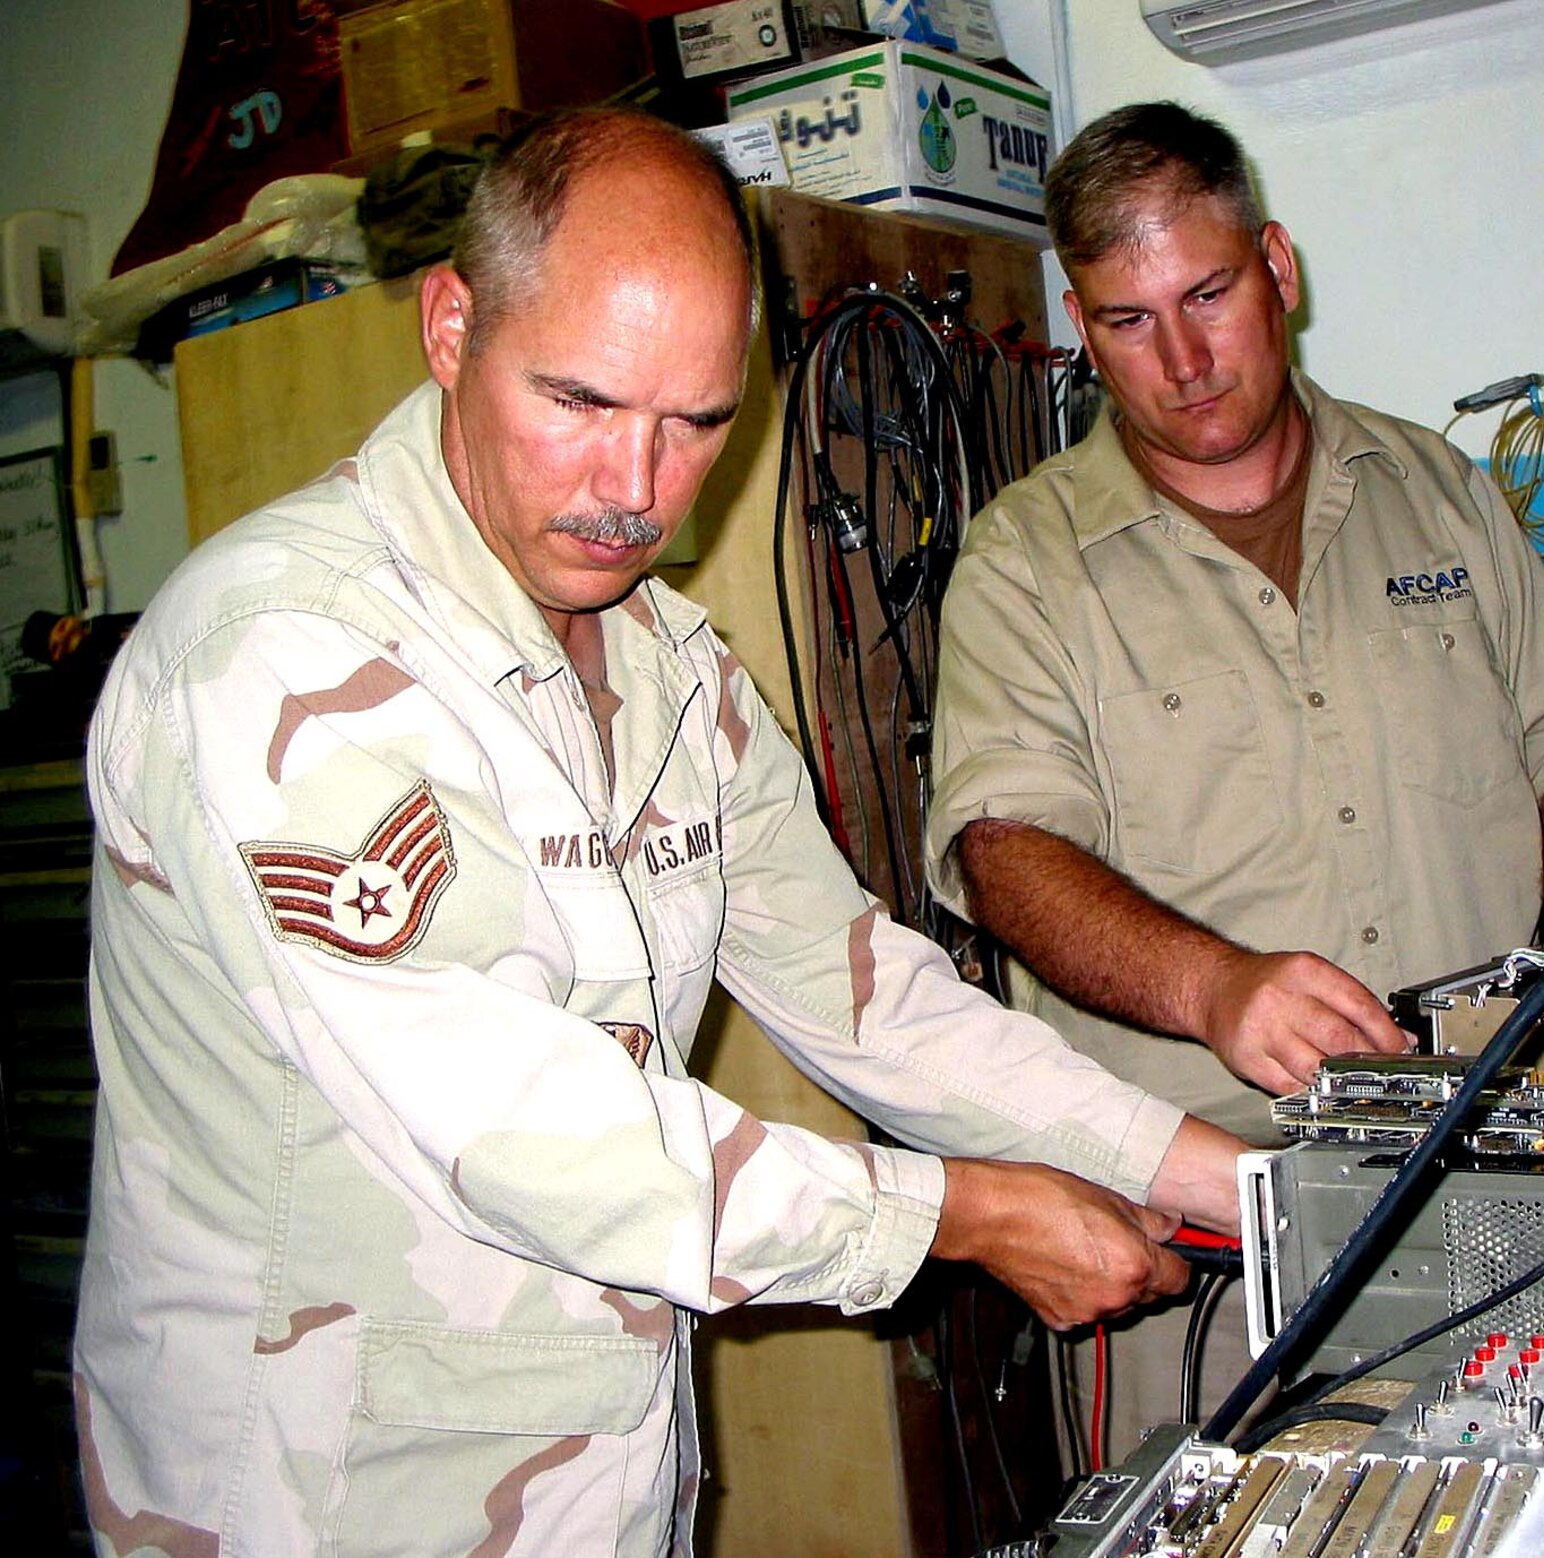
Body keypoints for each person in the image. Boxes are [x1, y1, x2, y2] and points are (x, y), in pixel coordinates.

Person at [73, 109, 1245, 1557]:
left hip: (603, 1491)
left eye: (696, 423)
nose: (633, 489)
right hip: (327, 1505)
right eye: (578, 401)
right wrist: (957, 1212)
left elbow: (863, 991)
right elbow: (534, 1137)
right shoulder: (276, 659)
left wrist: (1210, 1173)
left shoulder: (674, 671)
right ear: (451, 327)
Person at [925, 101, 1544, 1456]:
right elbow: (1006, 850)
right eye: (1129, 319)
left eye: (1208, 293)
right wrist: (1217, 985)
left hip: (1492, 1186)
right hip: (1206, 1248)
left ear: (1279, 268)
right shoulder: (1026, 563)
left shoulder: (1434, 489)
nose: (1184, 358)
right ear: (1085, 328)